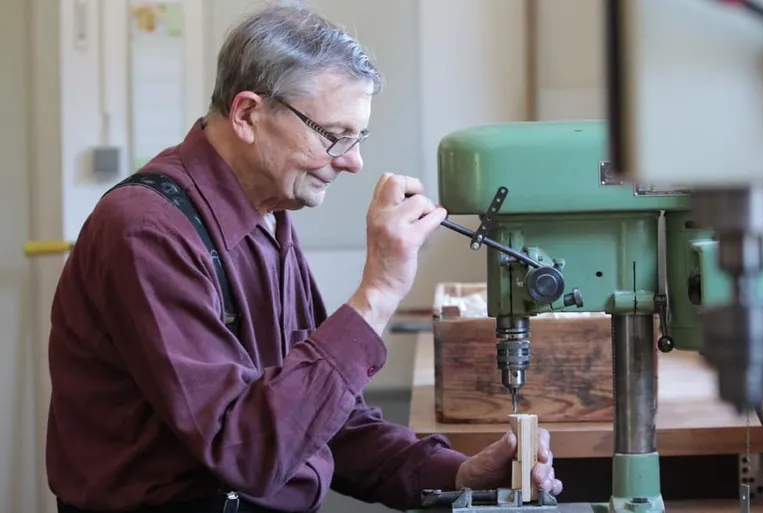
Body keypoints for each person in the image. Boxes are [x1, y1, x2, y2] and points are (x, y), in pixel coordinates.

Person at [45, 2, 563, 513]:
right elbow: (244, 451)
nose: (354, 162)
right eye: (333, 137)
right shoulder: (147, 231)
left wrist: (459, 472)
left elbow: (322, 419)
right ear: (248, 114)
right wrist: (378, 292)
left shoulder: (267, 217)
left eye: (357, 137)